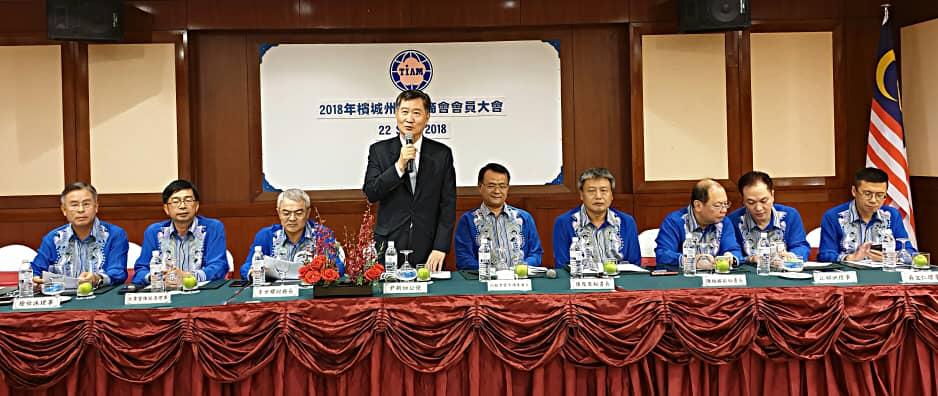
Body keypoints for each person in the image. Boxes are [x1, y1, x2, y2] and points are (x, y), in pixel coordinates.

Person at [363, 89, 456, 272]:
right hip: (389, 245)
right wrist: (399, 166)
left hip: (429, 246)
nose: (409, 119)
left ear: (427, 117)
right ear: (396, 114)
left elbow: (448, 205)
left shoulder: (441, 154)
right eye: (404, 112)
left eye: (416, 113)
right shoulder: (379, 151)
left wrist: (440, 247)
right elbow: (371, 192)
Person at [132, 180, 229, 285]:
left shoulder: (213, 228)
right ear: (166, 209)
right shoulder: (154, 232)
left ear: (196, 206)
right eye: (175, 201)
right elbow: (140, 270)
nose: (182, 206)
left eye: (188, 200)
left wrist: (188, 277)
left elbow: (219, 267)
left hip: (201, 294)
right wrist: (156, 278)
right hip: (165, 293)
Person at [31, 182, 128, 287]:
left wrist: (97, 278)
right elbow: (36, 270)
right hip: (62, 299)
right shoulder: (53, 238)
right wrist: (34, 279)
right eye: (74, 205)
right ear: (64, 210)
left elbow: (118, 273)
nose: (81, 210)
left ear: (96, 207)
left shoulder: (115, 235)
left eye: (86, 204)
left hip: (101, 299)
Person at [239, 189, 344, 279]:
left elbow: (338, 266)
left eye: (298, 213)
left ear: (307, 213)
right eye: (286, 213)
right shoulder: (266, 235)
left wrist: (322, 271)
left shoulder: (322, 234)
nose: (292, 218)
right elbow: (246, 267)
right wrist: (253, 272)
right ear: (278, 213)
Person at [454, 163, 543, 270]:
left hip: (520, 279)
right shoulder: (468, 220)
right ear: (480, 187)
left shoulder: (523, 218)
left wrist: (520, 269)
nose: (497, 191)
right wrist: (493, 272)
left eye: (502, 186)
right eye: (491, 186)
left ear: (507, 188)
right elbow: (464, 259)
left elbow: (536, 254)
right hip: (483, 282)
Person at [818, 167, 914, 262]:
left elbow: (909, 251)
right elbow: (825, 254)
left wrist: (892, 257)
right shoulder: (834, 216)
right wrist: (851, 258)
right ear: (854, 191)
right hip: (850, 274)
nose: (873, 200)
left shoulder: (892, 215)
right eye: (867, 194)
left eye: (880, 195)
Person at [552, 168, 641, 268]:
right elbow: (562, 266)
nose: (598, 196)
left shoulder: (626, 222)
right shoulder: (564, 223)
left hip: (620, 281)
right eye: (591, 191)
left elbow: (634, 263)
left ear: (611, 195)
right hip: (580, 282)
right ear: (581, 195)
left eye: (604, 190)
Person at [655, 178, 743, 271]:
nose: (724, 210)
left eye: (725, 204)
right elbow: (662, 254)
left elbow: (734, 250)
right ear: (698, 205)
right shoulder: (674, 222)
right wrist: (691, 261)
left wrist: (730, 257)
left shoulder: (724, 222)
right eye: (717, 205)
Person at [727, 171, 810, 265]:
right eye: (751, 202)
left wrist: (792, 255)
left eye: (763, 201)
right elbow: (733, 251)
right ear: (743, 200)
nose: (758, 208)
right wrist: (750, 259)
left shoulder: (790, 215)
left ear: (772, 195)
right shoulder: (734, 220)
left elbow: (801, 246)